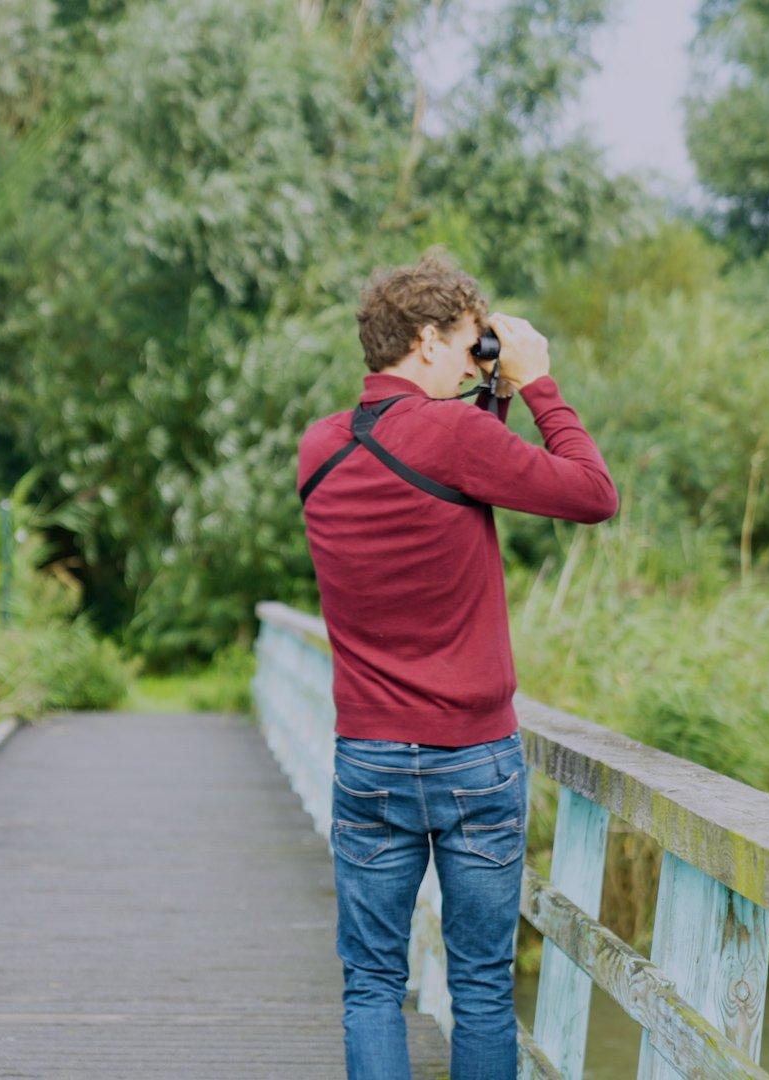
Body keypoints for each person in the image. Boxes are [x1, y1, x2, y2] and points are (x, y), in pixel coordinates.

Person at [295, 250, 617, 1079]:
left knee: (371, 984)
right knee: (478, 987)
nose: (485, 357)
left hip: (368, 758)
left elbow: (442, 481)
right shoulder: (455, 435)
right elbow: (591, 493)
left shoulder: (319, 448)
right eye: (476, 342)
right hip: (473, 758)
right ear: (430, 340)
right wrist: (537, 383)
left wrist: (490, 397)